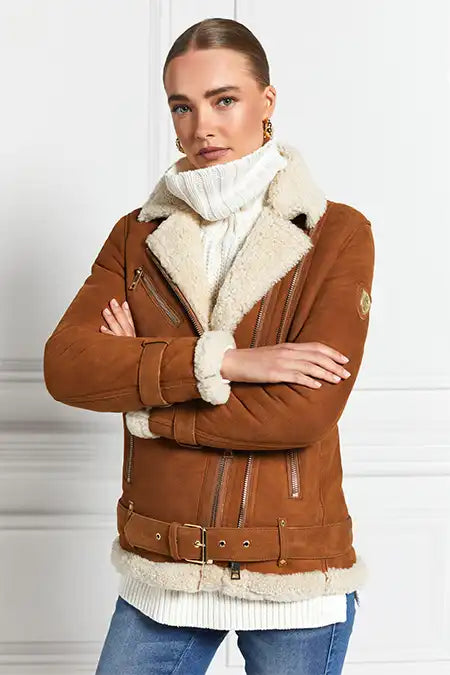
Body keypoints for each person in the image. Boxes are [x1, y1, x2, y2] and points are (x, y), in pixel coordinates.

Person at [43, 17, 375, 675]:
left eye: (224, 100)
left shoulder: (337, 233)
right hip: (161, 565)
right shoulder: (137, 237)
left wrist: (144, 404)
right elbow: (68, 366)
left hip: (292, 570)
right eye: (182, 106)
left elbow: (302, 412)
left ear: (266, 102)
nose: (203, 126)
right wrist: (222, 362)